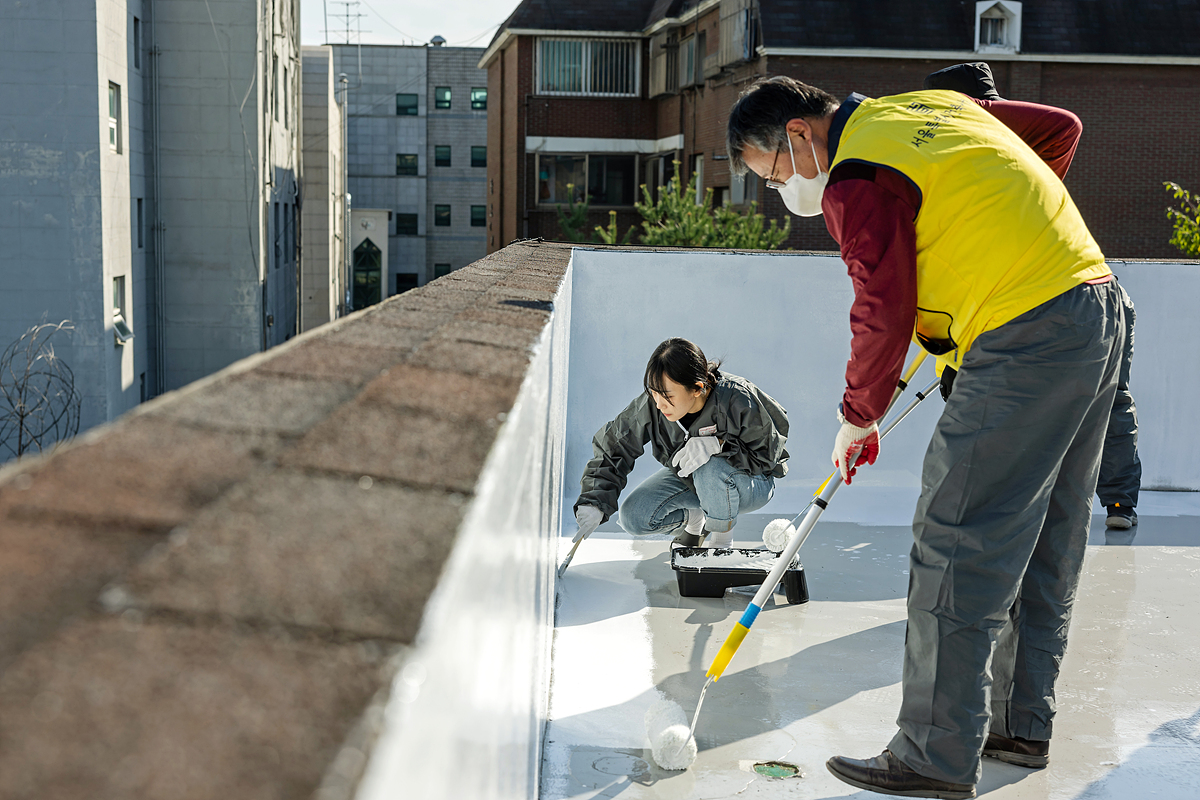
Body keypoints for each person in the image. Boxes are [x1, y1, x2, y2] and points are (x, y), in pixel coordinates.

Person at [727, 75, 1127, 798]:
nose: (781, 192)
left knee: (957, 541)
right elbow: (1059, 129)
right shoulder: (928, 108)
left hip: (1024, 333)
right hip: (1092, 303)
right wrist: (998, 234)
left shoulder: (854, 178)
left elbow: (880, 306)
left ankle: (933, 757)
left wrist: (858, 416)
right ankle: (1017, 724)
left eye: (773, 175)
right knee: (1046, 534)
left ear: (798, 135)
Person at [922, 63, 1143, 535]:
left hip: (1066, 298)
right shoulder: (998, 170)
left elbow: (1066, 125)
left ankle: (1118, 500)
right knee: (1098, 405)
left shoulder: (1016, 157)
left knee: (1103, 405)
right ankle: (1091, 506)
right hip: (1072, 297)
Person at [571, 337, 789, 551]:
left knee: (710, 467)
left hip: (752, 482)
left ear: (697, 388)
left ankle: (722, 545)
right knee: (634, 517)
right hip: (693, 480)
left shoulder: (737, 397)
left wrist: (721, 445)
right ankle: (696, 519)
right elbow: (614, 447)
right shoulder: (654, 405)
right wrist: (593, 501)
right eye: (653, 392)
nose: (659, 404)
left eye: (667, 396)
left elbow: (767, 456)